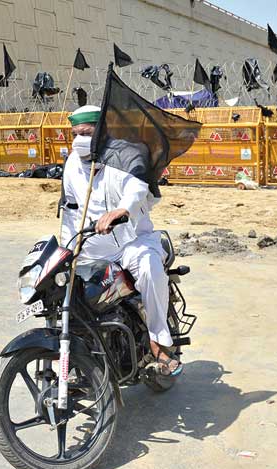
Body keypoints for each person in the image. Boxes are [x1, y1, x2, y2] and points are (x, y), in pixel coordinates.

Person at [60, 105, 180, 376]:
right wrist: (67, 249)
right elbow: (69, 211)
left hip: (132, 243)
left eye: (87, 133)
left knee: (149, 268)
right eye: (75, 134)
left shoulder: (127, 154)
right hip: (92, 249)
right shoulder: (72, 164)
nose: (80, 139)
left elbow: (138, 186)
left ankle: (159, 341)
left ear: (103, 132)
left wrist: (122, 209)